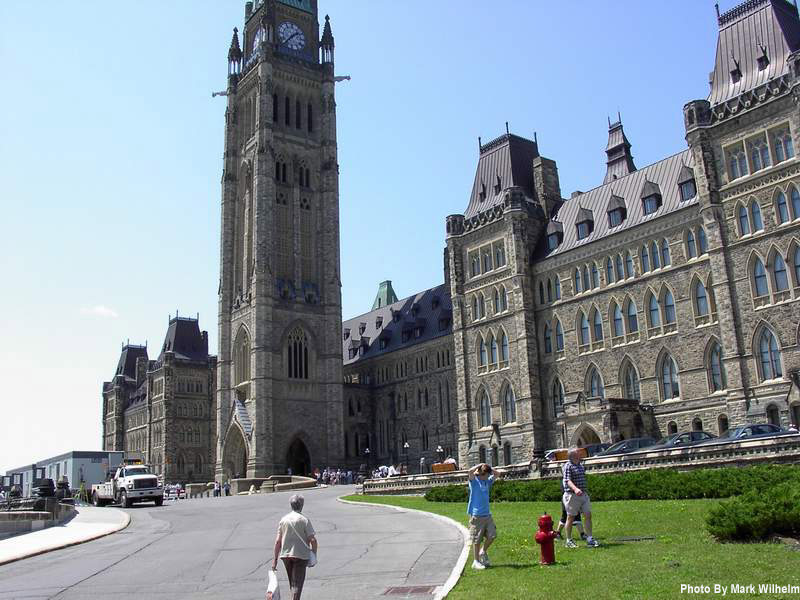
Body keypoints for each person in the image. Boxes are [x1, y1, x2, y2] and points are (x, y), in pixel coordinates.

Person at [273, 494, 318, 600]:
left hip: (286, 555)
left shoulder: (283, 520)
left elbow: (278, 541)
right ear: (302, 505)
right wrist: (314, 554)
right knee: (297, 585)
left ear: (291, 505)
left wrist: (275, 560)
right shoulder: (304, 520)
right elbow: (313, 540)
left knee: (293, 584)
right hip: (300, 556)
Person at [467, 463, 505, 570]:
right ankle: (476, 561)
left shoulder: (487, 482)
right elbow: (469, 472)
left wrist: (488, 467)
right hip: (477, 515)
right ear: (480, 473)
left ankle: (483, 551)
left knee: (492, 535)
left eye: (488, 475)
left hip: (487, 515)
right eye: (486, 474)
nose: (488, 476)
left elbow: (498, 474)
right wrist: (479, 465)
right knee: (477, 540)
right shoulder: (474, 482)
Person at [562, 448, 599, 548]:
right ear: (573, 455)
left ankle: (590, 539)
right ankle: (569, 540)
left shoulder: (580, 465)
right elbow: (567, 480)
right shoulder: (568, 465)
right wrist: (575, 489)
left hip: (583, 494)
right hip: (572, 495)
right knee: (570, 517)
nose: (580, 453)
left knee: (588, 515)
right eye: (578, 452)